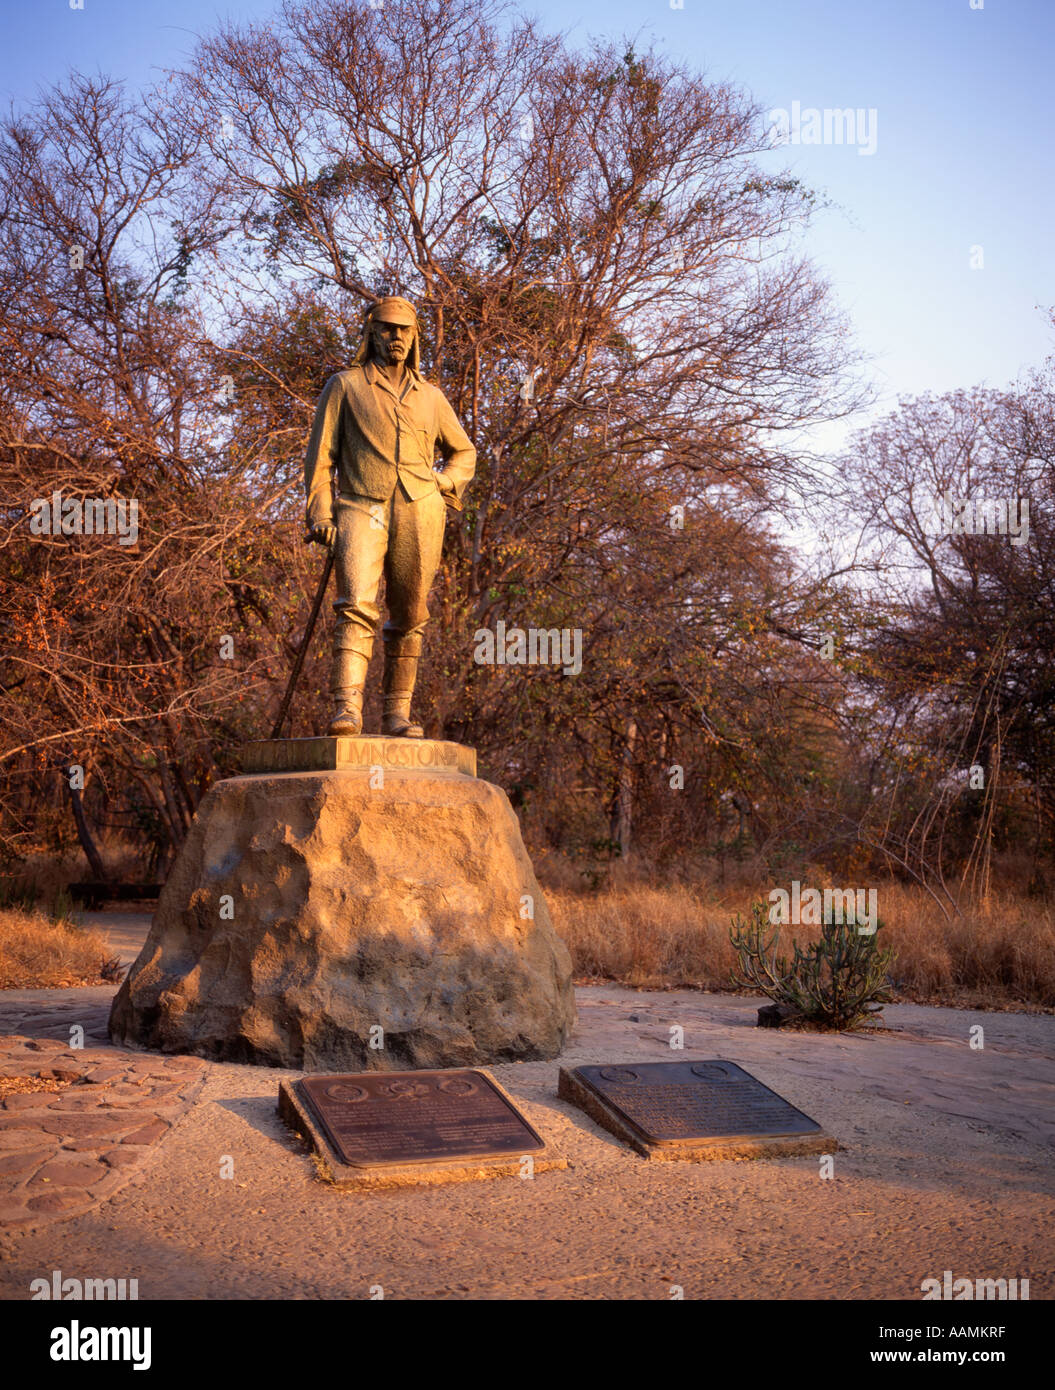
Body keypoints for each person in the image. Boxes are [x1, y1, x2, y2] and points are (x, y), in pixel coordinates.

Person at [303, 296, 476, 737]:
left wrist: (443, 482)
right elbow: (321, 458)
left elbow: (464, 452)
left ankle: (398, 714)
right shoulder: (344, 386)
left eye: (403, 329)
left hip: (420, 509)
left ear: (415, 336)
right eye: (386, 327)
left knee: (411, 613)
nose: (395, 336)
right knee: (355, 605)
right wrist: (321, 513)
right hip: (362, 505)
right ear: (371, 332)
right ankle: (347, 709)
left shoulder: (431, 397)